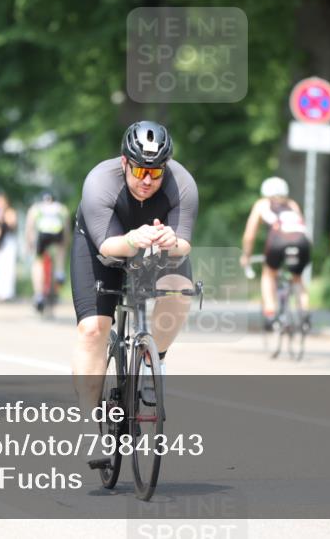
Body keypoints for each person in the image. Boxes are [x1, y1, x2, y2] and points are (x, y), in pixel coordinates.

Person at [71, 121, 197, 468]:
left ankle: (153, 361)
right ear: (125, 163)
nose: (147, 180)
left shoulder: (182, 184)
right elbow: (109, 245)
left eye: (155, 173)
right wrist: (133, 239)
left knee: (181, 289)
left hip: (156, 244)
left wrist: (171, 241)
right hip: (105, 242)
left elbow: (185, 242)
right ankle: (87, 427)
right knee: (93, 329)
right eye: (140, 170)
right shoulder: (100, 181)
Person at [240, 177, 312, 331]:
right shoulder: (292, 204)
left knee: (269, 274)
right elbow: (301, 226)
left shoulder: (262, 204)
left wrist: (246, 256)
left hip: (278, 242)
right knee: (298, 278)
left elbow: (250, 235)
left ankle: (270, 313)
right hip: (302, 243)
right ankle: (305, 314)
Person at [25, 191, 70, 313]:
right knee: (60, 252)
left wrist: (29, 243)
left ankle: (39, 294)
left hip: (42, 236)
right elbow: (66, 228)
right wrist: (65, 244)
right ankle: (60, 272)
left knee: (38, 263)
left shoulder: (36, 208)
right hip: (57, 234)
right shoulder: (61, 208)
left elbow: (29, 226)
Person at [0, 191, 19, 302]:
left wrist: (2, 216)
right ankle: (0, 291)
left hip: (8, 242)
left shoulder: (9, 212)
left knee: (8, 267)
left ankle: (8, 293)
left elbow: (12, 224)